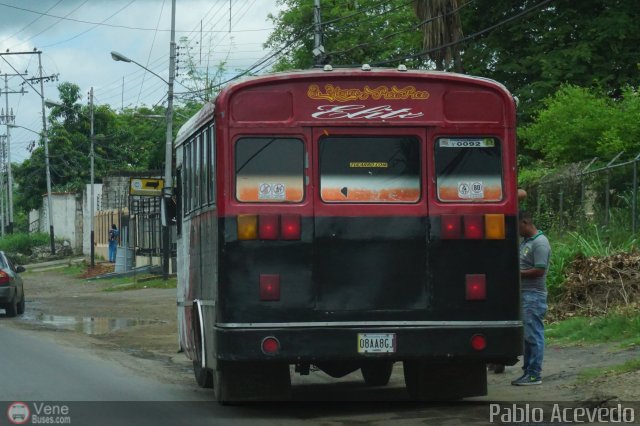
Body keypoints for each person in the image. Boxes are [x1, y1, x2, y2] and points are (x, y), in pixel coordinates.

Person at [512, 210, 551, 386]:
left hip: (534, 295)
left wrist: (516, 274)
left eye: (518, 225)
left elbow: (540, 270)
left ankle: (535, 374)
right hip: (525, 295)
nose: (517, 230)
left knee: (534, 334)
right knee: (527, 336)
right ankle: (527, 371)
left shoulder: (540, 243)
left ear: (526, 222)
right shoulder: (526, 242)